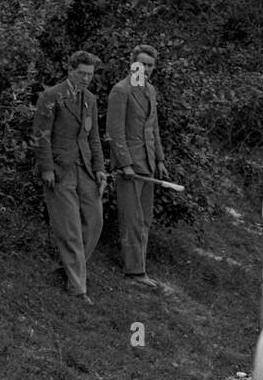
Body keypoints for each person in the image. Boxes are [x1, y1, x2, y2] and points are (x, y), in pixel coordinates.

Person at [33, 51, 107, 304]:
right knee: (71, 229)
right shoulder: (51, 96)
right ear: (70, 70)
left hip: (85, 169)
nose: (86, 79)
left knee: (95, 221)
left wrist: (99, 168)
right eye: (82, 73)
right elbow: (41, 135)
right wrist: (46, 168)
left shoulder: (91, 100)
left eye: (90, 74)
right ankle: (77, 289)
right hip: (60, 170)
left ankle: (69, 270)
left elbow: (93, 137)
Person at [106, 44, 170, 289]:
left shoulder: (150, 90)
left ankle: (140, 268)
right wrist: (125, 164)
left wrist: (160, 160)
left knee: (145, 219)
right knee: (131, 219)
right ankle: (134, 273)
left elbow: (153, 128)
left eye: (150, 65)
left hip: (148, 164)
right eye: (141, 63)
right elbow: (114, 132)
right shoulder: (121, 91)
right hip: (130, 168)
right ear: (132, 63)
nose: (145, 68)